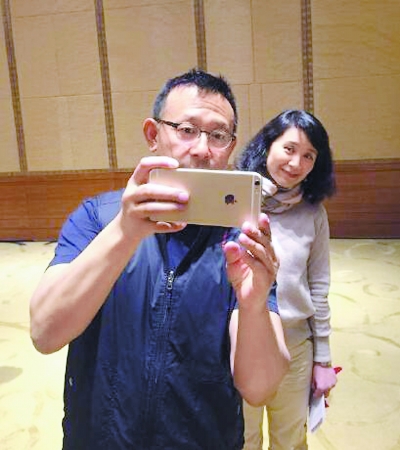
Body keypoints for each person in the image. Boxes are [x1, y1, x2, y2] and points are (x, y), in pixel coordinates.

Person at [29, 69, 290, 450]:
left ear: (230, 148)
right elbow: (45, 333)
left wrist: (253, 306)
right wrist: (125, 232)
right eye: (187, 130)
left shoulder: (242, 242)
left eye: (218, 136)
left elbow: (259, 388)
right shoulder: (97, 219)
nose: (202, 149)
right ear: (153, 135)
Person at [236, 109, 338, 450]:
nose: (296, 163)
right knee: (242, 438)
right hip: (241, 340)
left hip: (295, 344)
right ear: (268, 146)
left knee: (290, 441)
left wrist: (322, 359)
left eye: (309, 155)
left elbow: (319, 288)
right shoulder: (236, 203)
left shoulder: (313, 212)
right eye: (289, 149)